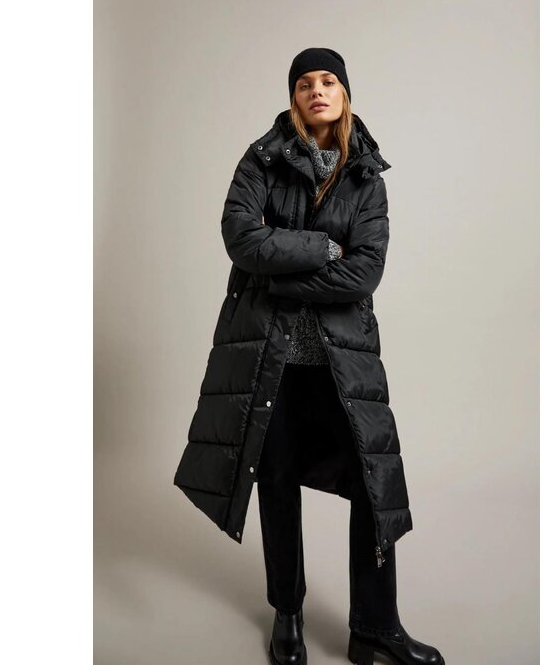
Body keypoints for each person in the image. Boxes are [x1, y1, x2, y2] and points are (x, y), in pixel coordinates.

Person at [173, 47, 445, 665]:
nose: (316, 91)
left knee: (374, 484)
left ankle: (375, 627)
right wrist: (324, 248)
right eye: (304, 83)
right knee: (276, 480)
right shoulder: (261, 159)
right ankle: (287, 613)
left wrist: (281, 275)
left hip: (342, 360)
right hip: (270, 357)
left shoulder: (367, 175)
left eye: (328, 81)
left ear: (345, 94)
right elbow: (241, 237)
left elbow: (365, 272)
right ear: (293, 98)